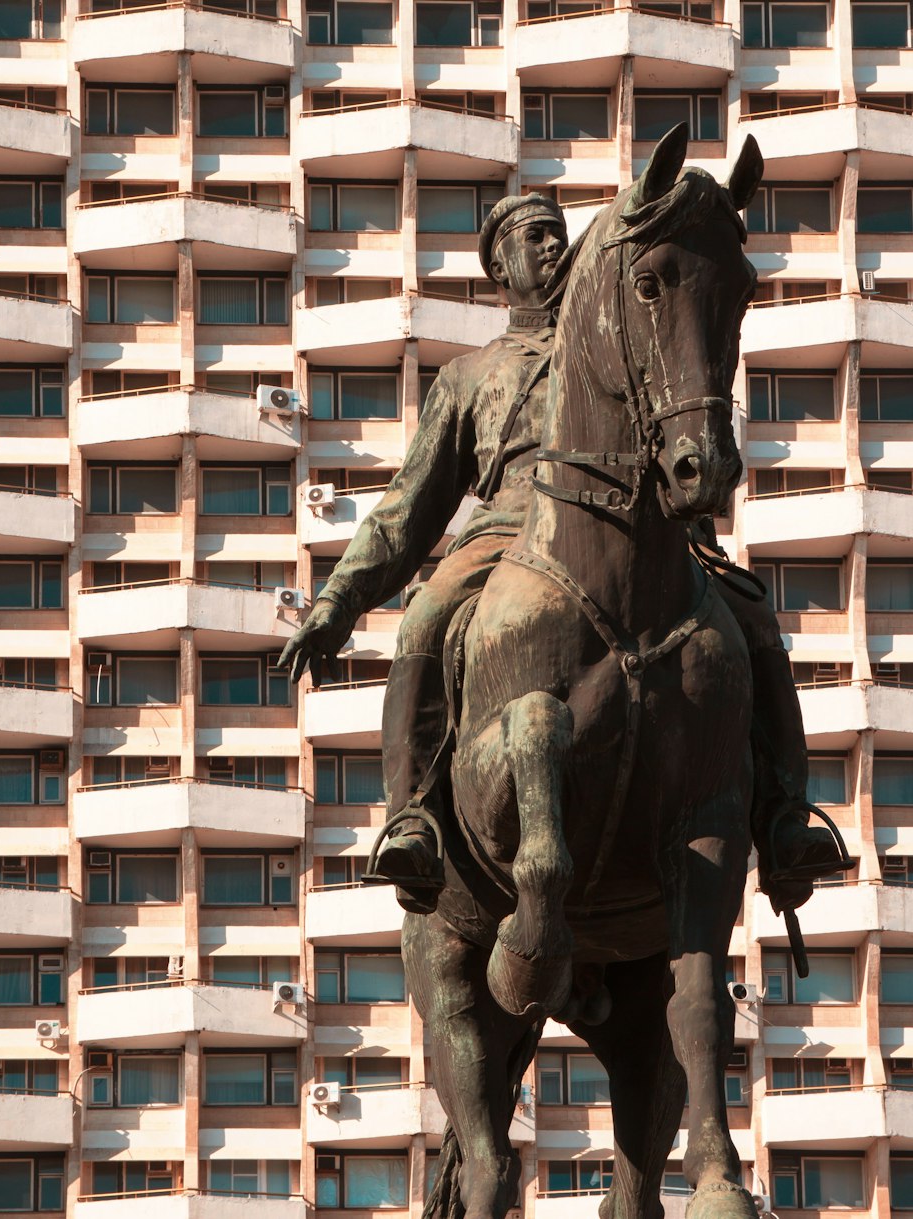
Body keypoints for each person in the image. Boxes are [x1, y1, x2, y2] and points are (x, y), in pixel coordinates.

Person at [280, 192, 844, 916]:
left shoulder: (620, 332)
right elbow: (406, 508)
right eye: (535, 238)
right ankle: (412, 815)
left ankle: (783, 815)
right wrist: (339, 600)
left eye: (558, 235)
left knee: (752, 616)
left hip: (650, 537)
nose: (553, 247)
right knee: (424, 619)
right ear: (499, 266)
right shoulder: (472, 375)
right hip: (509, 534)